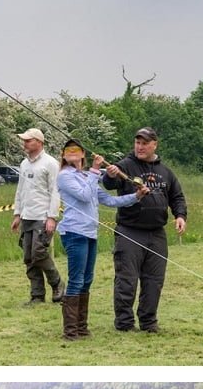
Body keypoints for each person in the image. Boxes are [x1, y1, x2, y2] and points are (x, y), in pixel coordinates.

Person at [56, 139, 146, 340]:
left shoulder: (87, 176)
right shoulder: (64, 177)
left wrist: (136, 196)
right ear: (63, 156)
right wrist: (96, 170)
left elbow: (110, 200)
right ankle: (70, 331)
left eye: (76, 150)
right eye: (67, 150)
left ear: (82, 155)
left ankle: (81, 327)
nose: (71, 152)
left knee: (87, 279)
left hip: (90, 233)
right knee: (76, 279)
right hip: (74, 233)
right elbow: (85, 196)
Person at [102, 127, 187, 333]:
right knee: (127, 279)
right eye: (137, 142)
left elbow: (177, 196)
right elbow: (109, 183)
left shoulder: (165, 172)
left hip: (156, 233)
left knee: (154, 281)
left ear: (154, 145)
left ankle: (149, 322)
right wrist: (111, 175)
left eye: (144, 143)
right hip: (129, 231)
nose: (139, 147)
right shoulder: (125, 166)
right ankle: (124, 323)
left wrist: (180, 216)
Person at [12, 127, 62, 306]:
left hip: (42, 216)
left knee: (38, 253)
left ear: (39, 142)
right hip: (27, 216)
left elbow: (55, 191)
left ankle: (57, 284)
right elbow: (20, 190)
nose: (25, 143)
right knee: (28, 256)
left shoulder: (50, 163)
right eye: (24, 140)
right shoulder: (24, 164)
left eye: (28, 140)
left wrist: (52, 217)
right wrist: (17, 214)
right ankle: (37, 295)